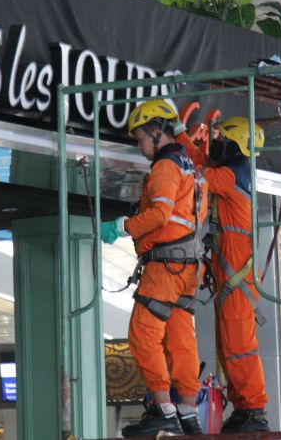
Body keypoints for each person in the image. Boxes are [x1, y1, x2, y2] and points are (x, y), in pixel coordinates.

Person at [100, 99, 206, 436]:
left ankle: (162, 408)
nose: (139, 144)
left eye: (141, 137)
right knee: (180, 339)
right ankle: (188, 411)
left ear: (157, 131)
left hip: (167, 267)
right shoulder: (189, 165)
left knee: (143, 334)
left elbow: (160, 215)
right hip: (187, 267)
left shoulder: (165, 168)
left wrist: (122, 226)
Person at [174, 115, 271, 432]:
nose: (217, 144)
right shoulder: (237, 172)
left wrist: (179, 141)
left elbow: (198, 172)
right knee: (231, 345)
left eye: (223, 140)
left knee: (239, 346)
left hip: (237, 281)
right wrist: (181, 137)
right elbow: (203, 163)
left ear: (236, 146)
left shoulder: (231, 176)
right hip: (233, 278)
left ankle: (253, 410)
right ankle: (246, 408)